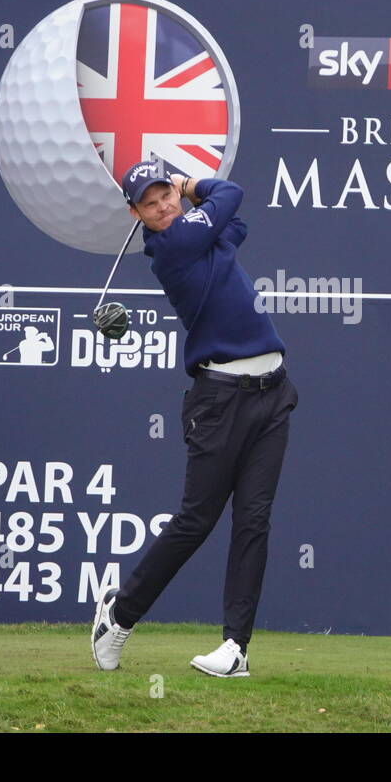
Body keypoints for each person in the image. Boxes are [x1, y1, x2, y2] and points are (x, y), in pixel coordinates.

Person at [91, 159, 297, 677]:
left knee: (254, 521)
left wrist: (208, 219)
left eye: (168, 195)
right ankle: (119, 615)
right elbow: (231, 192)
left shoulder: (195, 237)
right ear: (135, 213)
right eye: (151, 202)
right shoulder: (172, 248)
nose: (164, 204)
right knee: (195, 522)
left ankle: (235, 649)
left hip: (273, 393)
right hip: (220, 401)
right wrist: (190, 183)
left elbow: (234, 225)